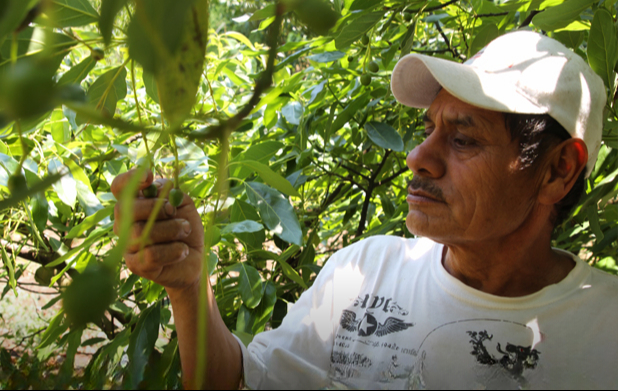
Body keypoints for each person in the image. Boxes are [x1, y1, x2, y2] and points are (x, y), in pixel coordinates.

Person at [111, 30, 618, 389]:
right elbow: (231, 380)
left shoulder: (605, 333)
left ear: (557, 171)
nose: (418, 157)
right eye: (428, 130)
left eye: (462, 139)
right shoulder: (364, 271)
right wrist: (188, 286)